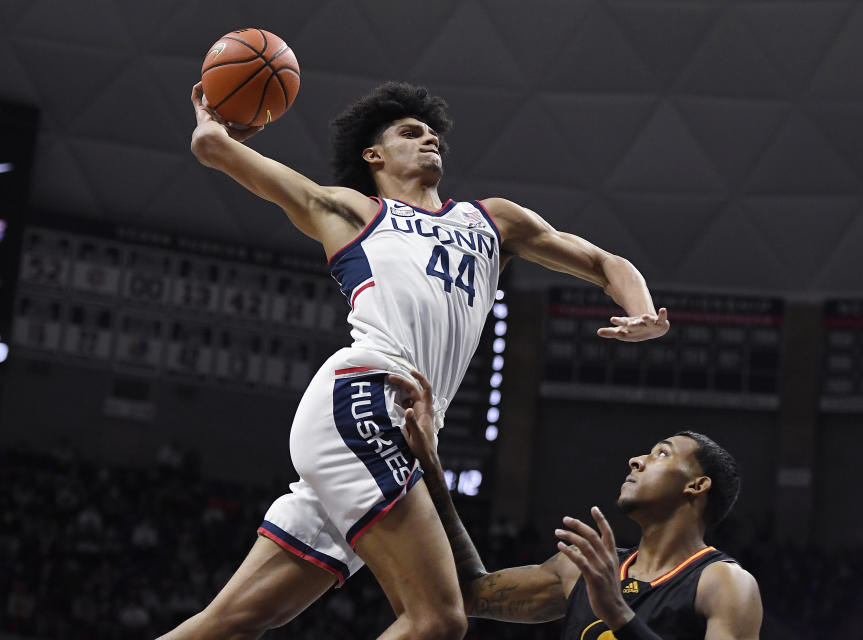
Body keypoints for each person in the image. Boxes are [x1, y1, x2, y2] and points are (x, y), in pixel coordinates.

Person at [162, 81, 670, 640]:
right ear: (373, 155)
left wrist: (641, 311)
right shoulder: (352, 210)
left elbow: (605, 262)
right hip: (365, 395)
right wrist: (218, 121)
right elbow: (213, 148)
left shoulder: (492, 221)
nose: (430, 139)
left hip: (401, 426)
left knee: (232, 622)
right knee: (438, 620)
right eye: (410, 132)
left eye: (432, 134)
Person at [391, 370, 762, 640]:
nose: (637, 460)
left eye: (661, 453)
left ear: (697, 486)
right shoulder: (581, 571)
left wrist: (617, 613)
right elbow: (471, 593)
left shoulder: (724, 584)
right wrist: (431, 466)